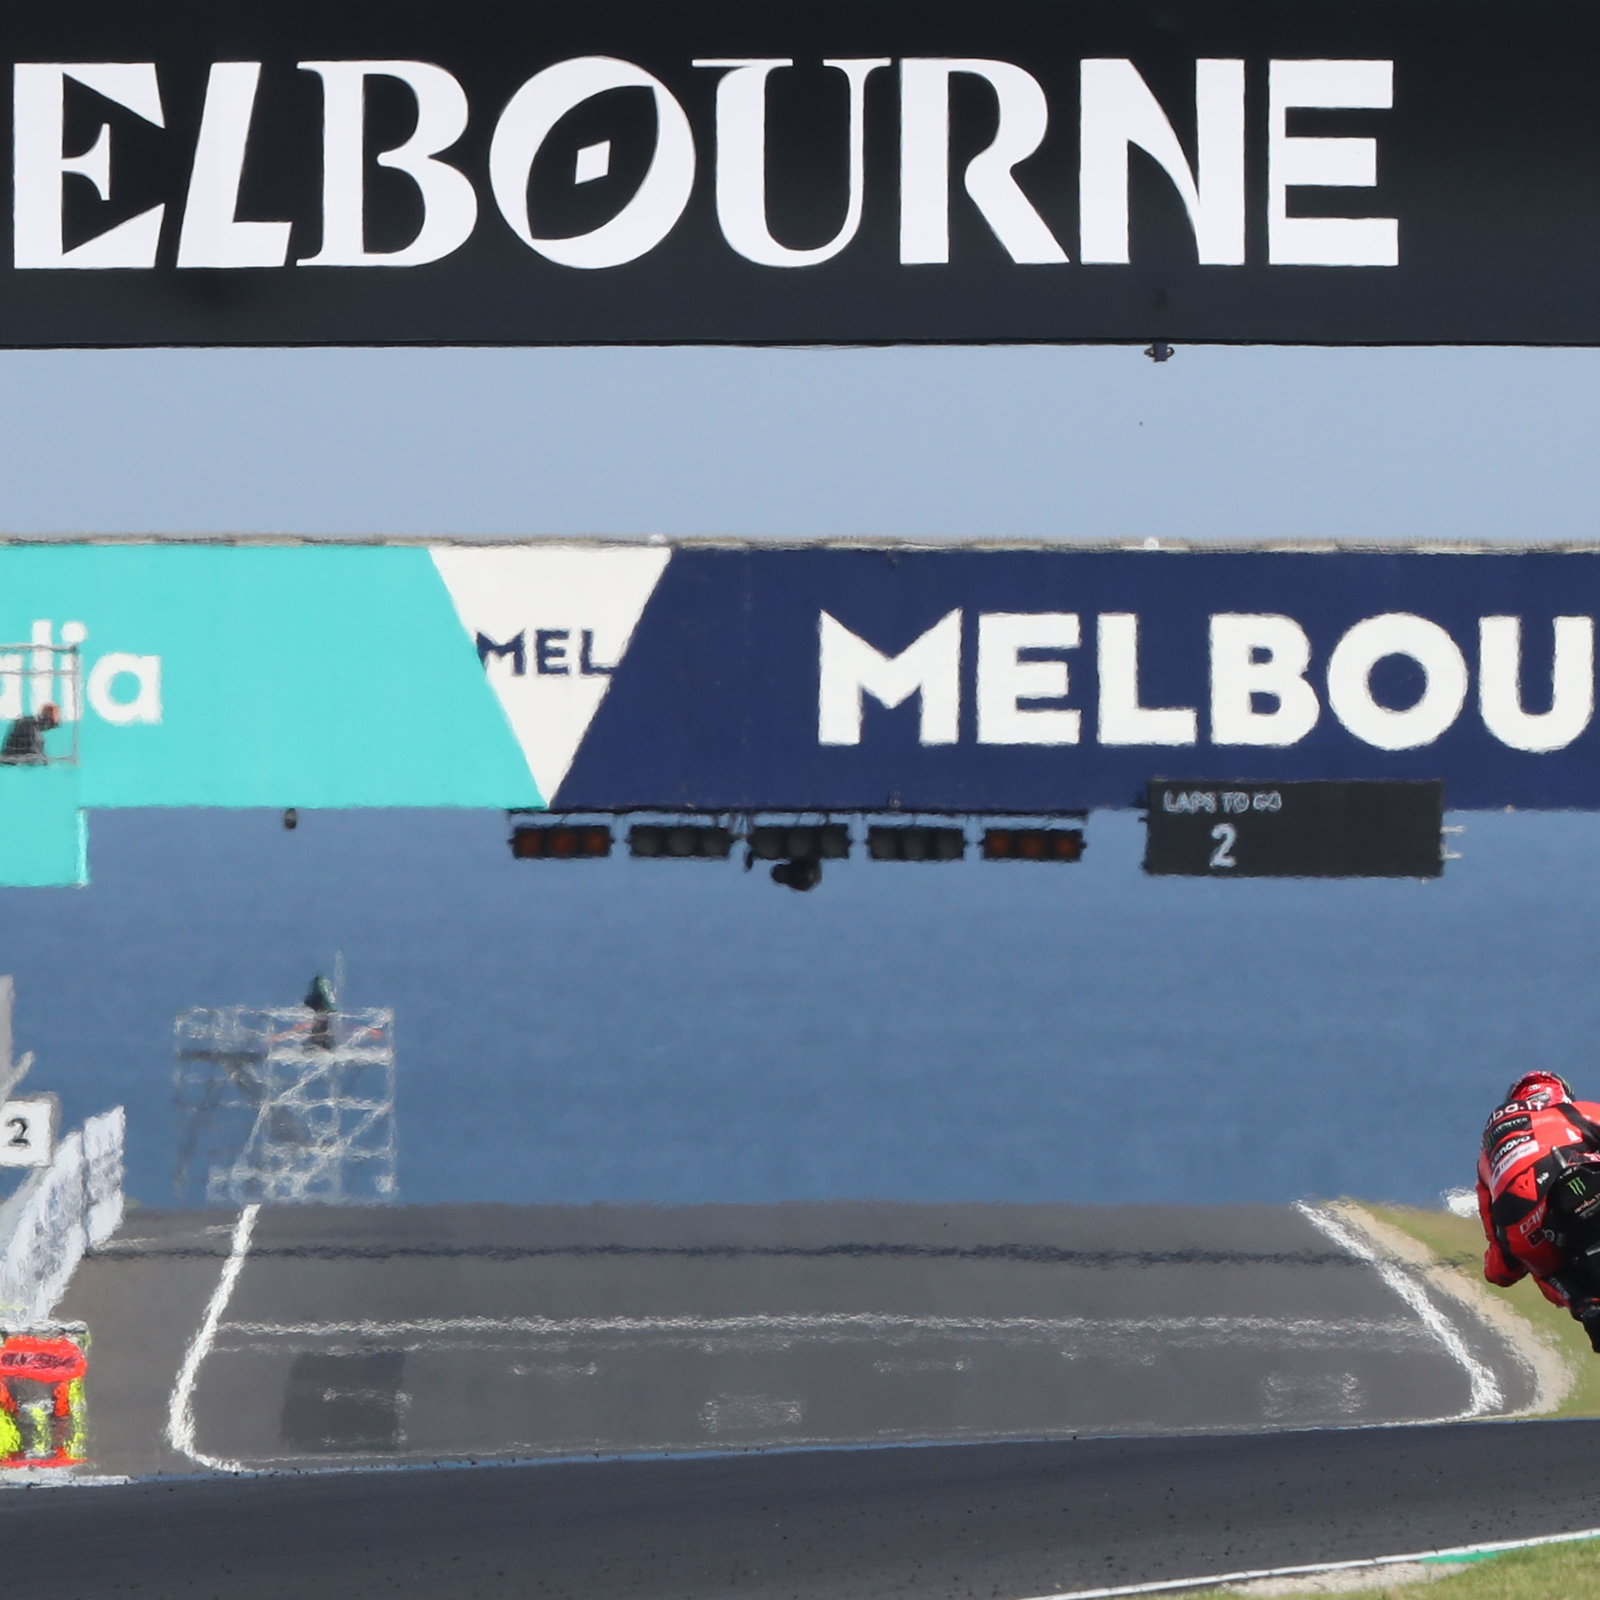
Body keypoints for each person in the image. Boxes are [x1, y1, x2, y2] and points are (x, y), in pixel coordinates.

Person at [1477, 1070, 1600, 1351]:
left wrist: (1498, 1270)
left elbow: (1501, 1270)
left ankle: (1586, 1305)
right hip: (1585, 1181)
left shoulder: (1486, 1159)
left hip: (1523, 1223)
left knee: (1543, 1270)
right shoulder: (1570, 1112)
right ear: (1560, 1094)